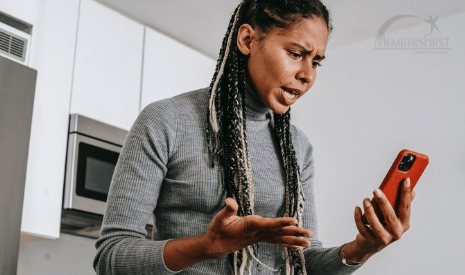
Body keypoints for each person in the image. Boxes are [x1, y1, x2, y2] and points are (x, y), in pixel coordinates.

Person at [93, 0, 414, 274]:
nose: (307, 75)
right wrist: (207, 247)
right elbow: (112, 255)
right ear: (247, 40)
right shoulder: (167, 121)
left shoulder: (298, 149)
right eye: (295, 53)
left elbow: (304, 261)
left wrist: (360, 249)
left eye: (315, 62)